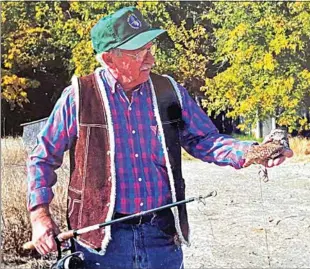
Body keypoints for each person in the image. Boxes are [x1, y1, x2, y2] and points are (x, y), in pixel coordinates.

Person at [27, 6, 293, 269]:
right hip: (101, 245)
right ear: (109, 59)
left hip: (162, 237)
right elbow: (43, 156)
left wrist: (251, 152)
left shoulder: (169, 90)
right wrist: (40, 216)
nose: (150, 60)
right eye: (138, 53)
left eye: (150, 49)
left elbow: (205, 140)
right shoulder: (79, 96)